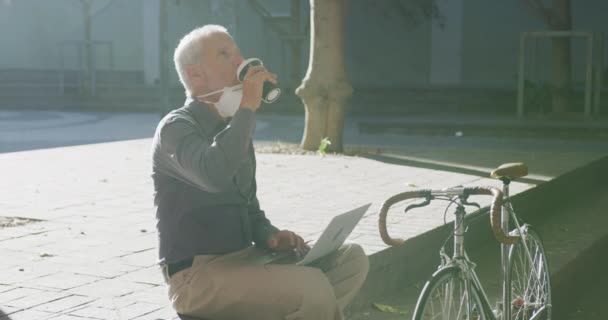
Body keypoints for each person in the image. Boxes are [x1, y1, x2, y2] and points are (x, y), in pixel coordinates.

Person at [151, 24, 369, 320]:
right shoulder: (176, 128)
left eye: (237, 53)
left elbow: (249, 207)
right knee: (312, 288)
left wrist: (270, 235)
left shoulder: (235, 128)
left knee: (351, 258)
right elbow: (213, 175)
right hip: (197, 277)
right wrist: (247, 109)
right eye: (225, 55)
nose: (240, 62)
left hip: (246, 260)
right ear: (195, 75)